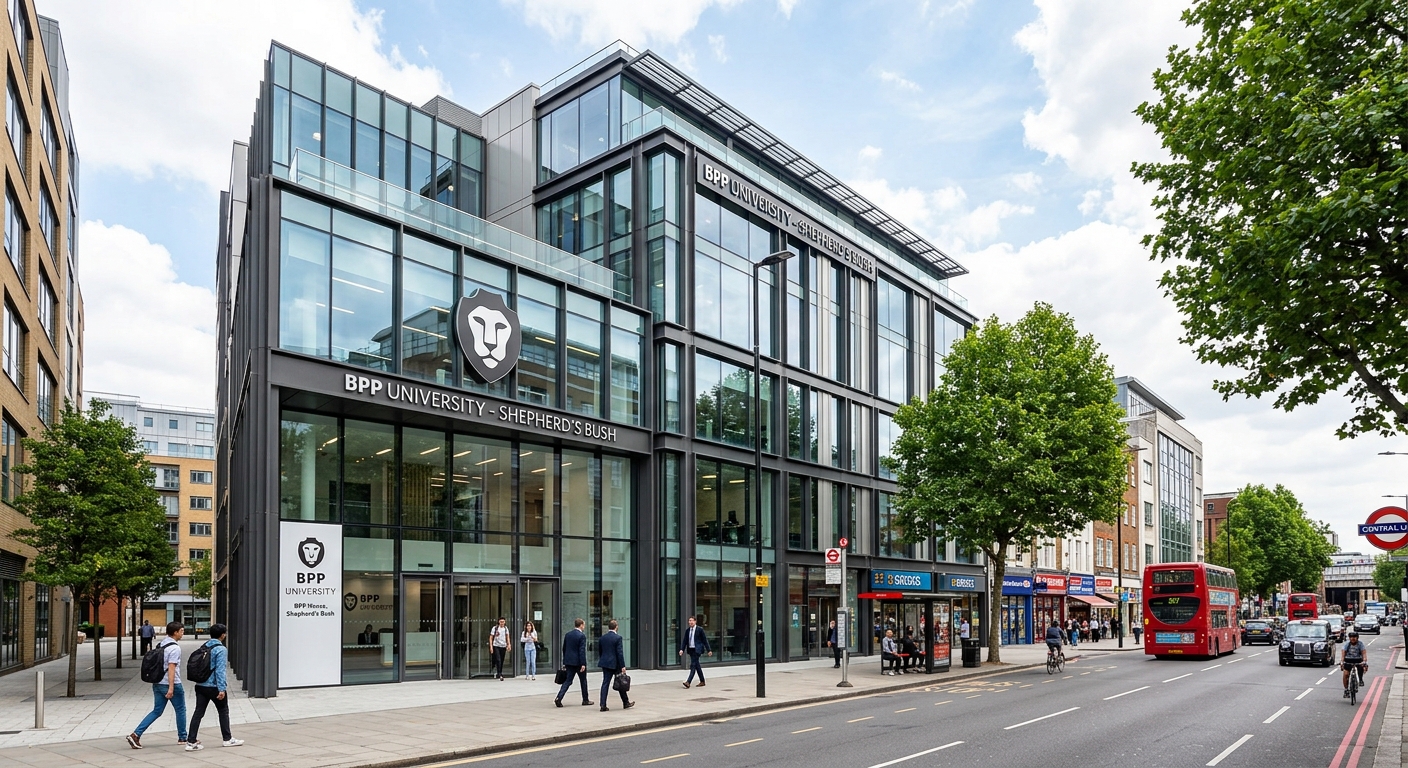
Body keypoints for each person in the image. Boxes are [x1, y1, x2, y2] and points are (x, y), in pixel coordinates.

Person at [126, 622, 188, 749]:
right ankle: (182, 737)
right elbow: (171, 668)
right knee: (180, 709)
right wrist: (171, 688)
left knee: (157, 711)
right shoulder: (175, 648)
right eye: (181, 631)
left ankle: (136, 734)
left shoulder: (162, 644)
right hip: (171, 684)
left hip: (158, 682)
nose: (183, 633)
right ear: (175, 632)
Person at [185, 623, 243, 750]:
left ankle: (191, 741)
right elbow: (220, 670)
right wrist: (222, 688)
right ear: (222, 635)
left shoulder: (204, 646)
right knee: (223, 711)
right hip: (213, 686)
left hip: (200, 685)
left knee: (198, 712)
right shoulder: (221, 649)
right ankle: (227, 738)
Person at [554, 618, 592, 708]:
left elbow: (564, 648)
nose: (584, 627)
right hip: (578, 662)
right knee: (583, 681)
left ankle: (559, 697)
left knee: (568, 681)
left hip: (569, 662)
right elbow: (581, 651)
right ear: (581, 625)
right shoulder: (582, 636)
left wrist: (565, 661)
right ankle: (585, 699)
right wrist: (583, 663)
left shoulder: (568, 635)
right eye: (583, 625)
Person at [597, 619, 633, 711]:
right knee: (621, 682)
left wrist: (603, 660)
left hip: (605, 663)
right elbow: (619, 653)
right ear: (616, 627)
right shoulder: (618, 638)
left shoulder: (602, 638)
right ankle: (625, 702)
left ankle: (603, 704)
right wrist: (622, 666)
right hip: (615, 664)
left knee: (605, 683)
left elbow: (600, 651)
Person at [678, 615, 712, 688]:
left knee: (693, 665)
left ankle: (688, 682)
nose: (690, 622)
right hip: (691, 650)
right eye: (689, 621)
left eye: (691, 621)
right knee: (697, 665)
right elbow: (685, 641)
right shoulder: (688, 631)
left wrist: (709, 650)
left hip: (697, 650)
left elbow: (705, 640)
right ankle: (702, 681)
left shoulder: (700, 630)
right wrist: (682, 649)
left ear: (695, 621)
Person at [1342, 630, 1369, 697]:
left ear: (1357, 638)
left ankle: (1360, 679)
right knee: (1346, 674)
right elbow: (1343, 653)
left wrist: (1364, 661)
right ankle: (1346, 690)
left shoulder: (1360, 644)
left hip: (1358, 660)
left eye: (1354, 637)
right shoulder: (1347, 644)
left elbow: (1363, 653)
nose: (1352, 638)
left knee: (1361, 667)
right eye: (1351, 637)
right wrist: (1342, 662)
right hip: (1348, 660)